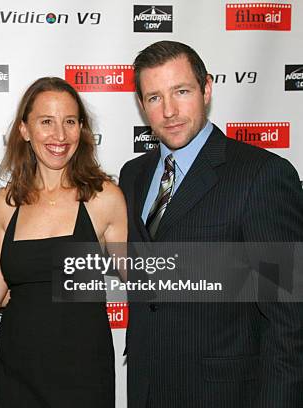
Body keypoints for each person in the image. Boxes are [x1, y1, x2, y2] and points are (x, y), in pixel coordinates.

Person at [118, 40, 303, 408]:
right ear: (141, 105)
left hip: (225, 393)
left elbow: (289, 316)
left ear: (206, 89)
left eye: (181, 91)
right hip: (148, 389)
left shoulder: (261, 175)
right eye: (154, 98)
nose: (169, 111)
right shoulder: (133, 175)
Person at [0, 77, 127, 407]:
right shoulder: (6, 203)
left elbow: (140, 278)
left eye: (70, 122)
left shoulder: (103, 198)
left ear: (82, 128)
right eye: (46, 122)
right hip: (17, 370)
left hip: (84, 374)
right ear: (24, 130)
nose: (60, 136)